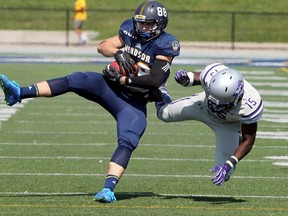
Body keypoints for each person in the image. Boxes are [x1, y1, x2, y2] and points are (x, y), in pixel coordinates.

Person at [0, 1, 180, 202]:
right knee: (76, 79)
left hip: (133, 101)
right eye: (141, 23)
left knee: (129, 139)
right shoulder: (130, 30)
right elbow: (102, 46)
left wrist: (124, 78)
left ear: (159, 24)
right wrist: (118, 52)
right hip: (109, 87)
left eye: (148, 24)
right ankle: (19, 93)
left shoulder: (166, 43)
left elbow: (155, 79)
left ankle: (108, 189)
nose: (143, 27)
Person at [156, 63, 263, 186]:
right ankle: (160, 88)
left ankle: (234, 140)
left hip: (227, 125)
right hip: (203, 106)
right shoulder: (213, 74)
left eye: (222, 103)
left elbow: (248, 140)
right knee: (163, 113)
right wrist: (186, 79)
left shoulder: (251, 104)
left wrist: (229, 163)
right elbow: (197, 78)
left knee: (225, 173)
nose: (216, 106)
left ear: (237, 97)